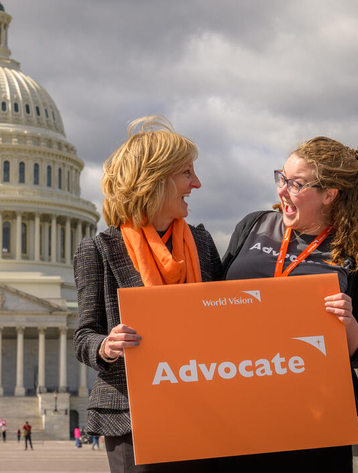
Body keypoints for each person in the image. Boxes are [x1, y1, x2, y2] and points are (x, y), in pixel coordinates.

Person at [217, 136, 358, 472]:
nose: (282, 190)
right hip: (240, 402)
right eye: (281, 177)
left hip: (315, 415)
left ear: (329, 194)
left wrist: (347, 322)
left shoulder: (357, 252)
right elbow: (209, 299)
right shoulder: (253, 225)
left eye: (295, 184)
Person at [73, 116, 224, 472]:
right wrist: (105, 345)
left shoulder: (201, 244)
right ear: (156, 180)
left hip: (203, 404)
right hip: (131, 414)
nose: (197, 183)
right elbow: (84, 336)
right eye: (187, 173)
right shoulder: (97, 250)